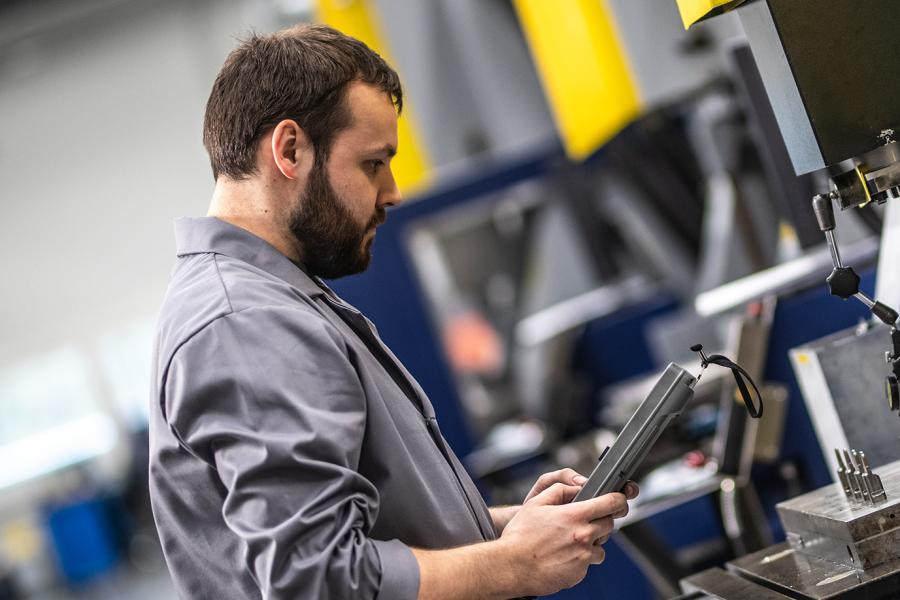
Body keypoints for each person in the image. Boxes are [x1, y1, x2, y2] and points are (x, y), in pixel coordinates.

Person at [149, 23, 637, 600]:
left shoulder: (271, 299)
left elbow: (365, 535)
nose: (393, 191)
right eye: (372, 163)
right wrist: (514, 564)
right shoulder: (245, 322)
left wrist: (509, 531)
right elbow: (321, 580)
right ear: (290, 149)